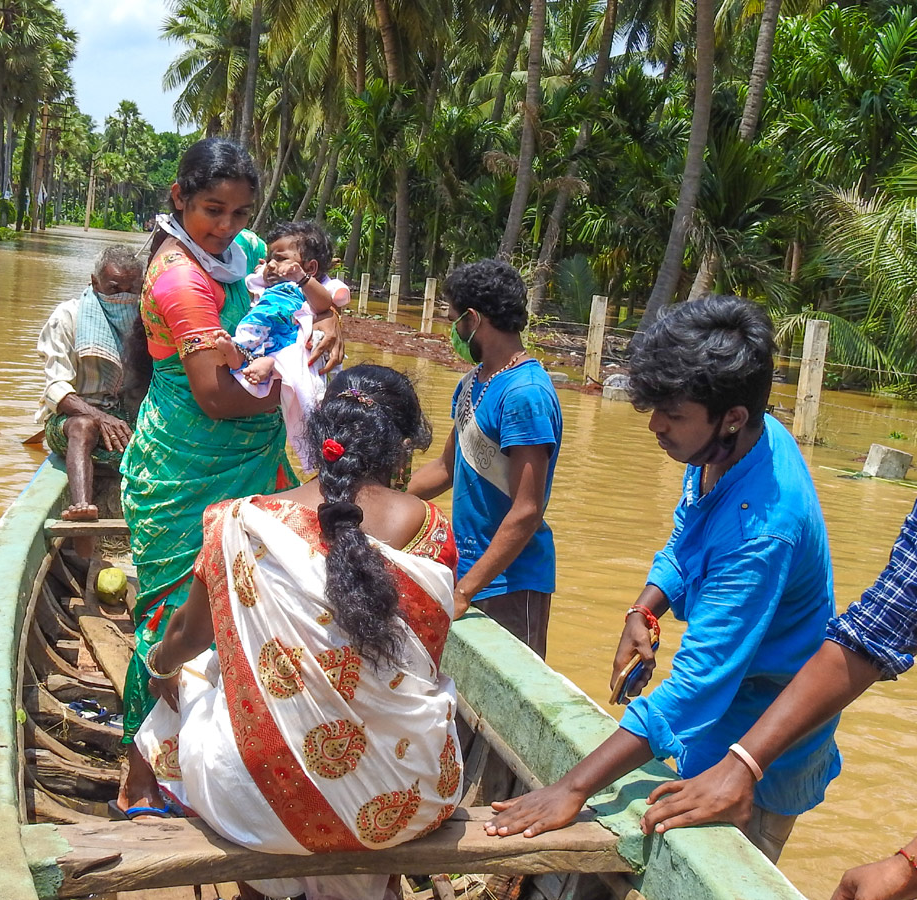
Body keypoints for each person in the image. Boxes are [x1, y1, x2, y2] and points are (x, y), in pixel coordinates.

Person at [483, 296, 841, 864]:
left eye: (671, 414)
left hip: (764, 744)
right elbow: (686, 536)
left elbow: (697, 684)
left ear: (733, 416)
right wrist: (644, 609)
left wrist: (572, 787)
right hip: (717, 715)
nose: (654, 426)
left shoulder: (764, 528)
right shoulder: (727, 447)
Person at [131, 365, 464, 900]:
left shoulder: (239, 521)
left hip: (256, 802)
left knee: (193, 670)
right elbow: (417, 671)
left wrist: (159, 667)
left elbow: (187, 637)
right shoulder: (433, 529)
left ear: (316, 432)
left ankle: (235, 869)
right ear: (400, 452)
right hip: (404, 801)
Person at [117, 137, 343, 813]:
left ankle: (220, 762)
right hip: (184, 467)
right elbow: (216, 395)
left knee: (247, 602)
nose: (229, 227)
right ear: (180, 197)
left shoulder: (238, 256)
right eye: (213, 210)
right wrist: (290, 386)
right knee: (170, 617)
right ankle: (137, 778)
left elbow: (292, 284)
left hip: (255, 458)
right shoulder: (179, 279)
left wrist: (331, 314)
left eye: (241, 213)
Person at [639, 499, 917, 900]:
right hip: (727, 752)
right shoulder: (708, 466)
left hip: (772, 762)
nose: (659, 431)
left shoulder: (772, 520)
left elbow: (701, 672)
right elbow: (879, 628)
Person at [408, 259, 562, 657]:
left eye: (454, 319)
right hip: (468, 570)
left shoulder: (525, 394)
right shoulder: (472, 381)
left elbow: (526, 510)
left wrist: (465, 589)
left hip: (510, 581)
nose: (452, 331)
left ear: (474, 319)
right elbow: (445, 469)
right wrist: (377, 500)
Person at [214, 221, 349, 470]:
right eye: (269, 259)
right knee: (254, 337)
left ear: (310, 267)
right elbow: (253, 284)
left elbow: (326, 302)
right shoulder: (267, 278)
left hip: (291, 337)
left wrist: (306, 283)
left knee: (289, 357)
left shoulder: (311, 282)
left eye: (279, 258)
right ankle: (241, 355)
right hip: (265, 332)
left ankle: (263, 362)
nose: (271, 264)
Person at [36, 244, 144, 521]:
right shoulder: (69, 317)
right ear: (94, 282)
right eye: (114, 289)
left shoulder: (146, 320)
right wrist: (100, 417)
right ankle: (82, 508)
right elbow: (57, 391)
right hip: (74, 420)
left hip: (127, 417)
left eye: (133, 290)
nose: (125, 298)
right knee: (84, 426)